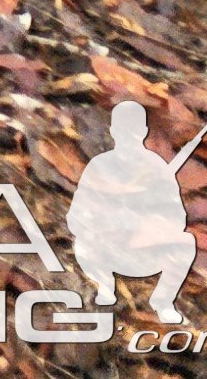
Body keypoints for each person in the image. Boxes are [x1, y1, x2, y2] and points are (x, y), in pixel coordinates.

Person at [67, 100, 199, 321]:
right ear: (113, 132)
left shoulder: (158, 169)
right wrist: (105, 221)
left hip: (145, 254)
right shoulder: (99, 166)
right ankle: (105, 286)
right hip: (106, 251)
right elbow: (76, 217)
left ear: (143, 132)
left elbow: (177, 219)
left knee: (186, 243)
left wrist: (147, 219)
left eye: (133, 130)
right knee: (81, 243)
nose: (128, 136)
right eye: (123, 130)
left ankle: (163, 302)